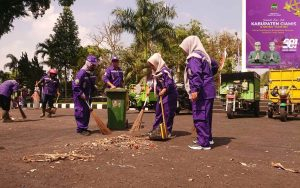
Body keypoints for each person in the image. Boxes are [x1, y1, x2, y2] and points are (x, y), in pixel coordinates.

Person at [179, 35, 217, 150]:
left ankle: (203, 143)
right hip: (209, 90)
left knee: (200, 115)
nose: (185, 52)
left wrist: (194, 89)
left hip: (202, 92)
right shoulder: (204, 55)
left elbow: (195, 74)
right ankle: (207, 138)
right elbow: (215, 66)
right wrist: (208, 77)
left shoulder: (194, 57)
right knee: (206, 116)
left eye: (185, 49)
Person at [147, 53, 178, 137]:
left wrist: (164, 89)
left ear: (157, 63)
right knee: (158, 112)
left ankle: (167, 131)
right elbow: (154, 82)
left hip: (170, 95)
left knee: (168, 113)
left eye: (152, 65)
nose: (151, 67)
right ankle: (156, 130)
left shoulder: (165, 71)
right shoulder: (156, 72)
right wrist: (150, 89)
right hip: (162, 95)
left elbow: (169, 82)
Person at [72, 55, 99, 136]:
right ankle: (80, 129)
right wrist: (80, 93)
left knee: (87, 112)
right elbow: (75, 86)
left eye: (95, 65)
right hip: (80, 97)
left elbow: (90, 84)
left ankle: (84, 127)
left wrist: (94, 87)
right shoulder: (81, 73)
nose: (94, 66)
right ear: (88, 63)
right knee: (81, 111)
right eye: (93, 65)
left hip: (88, 96)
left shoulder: (90, 73)